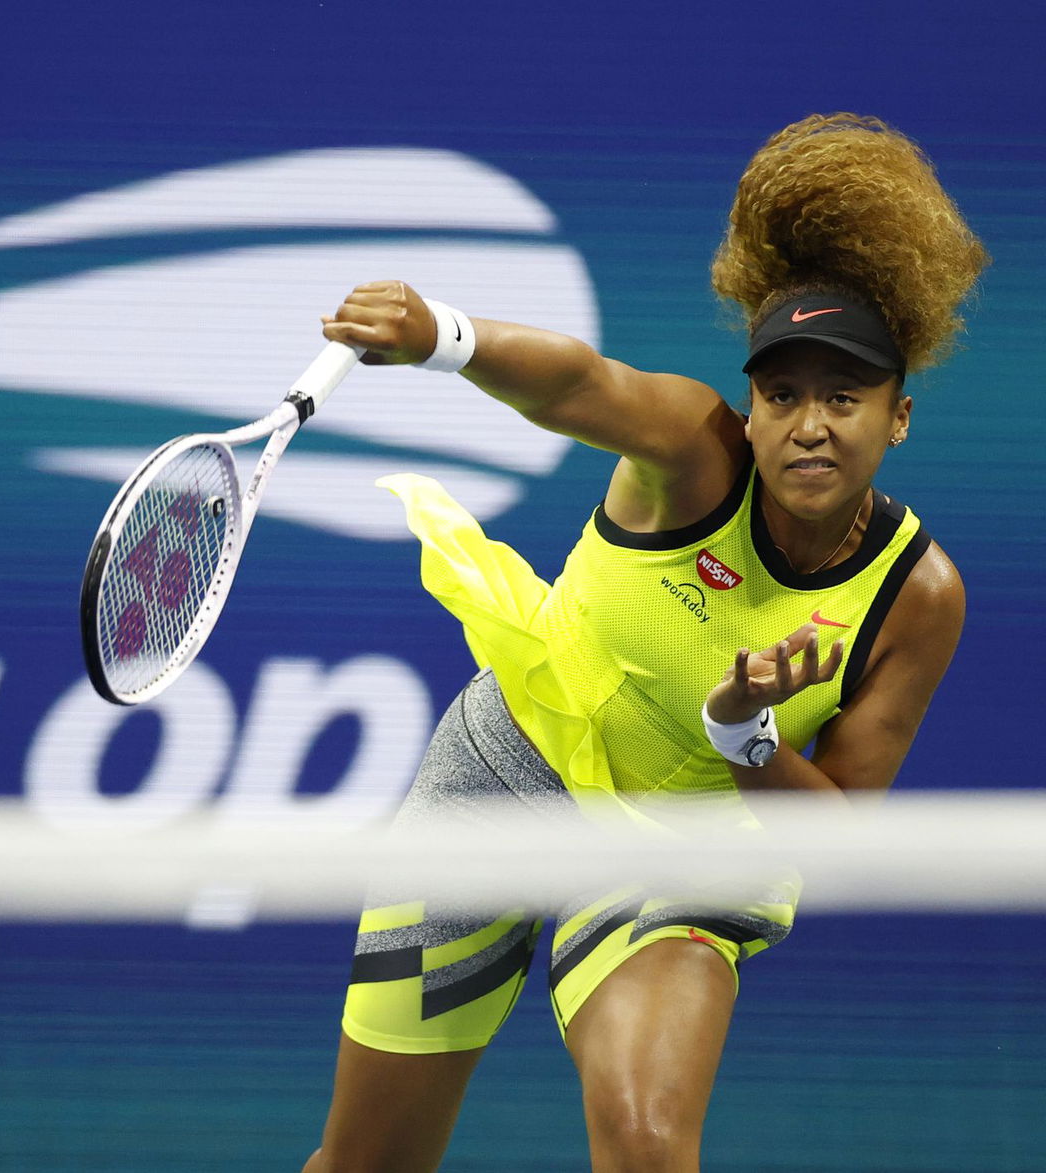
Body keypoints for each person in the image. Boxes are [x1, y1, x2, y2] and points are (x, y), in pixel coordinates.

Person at [301, 113, 990, 1172]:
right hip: (505, 767)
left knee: (647, 1140)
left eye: (844, 398)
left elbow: (839, 837)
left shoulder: (916, 596)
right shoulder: (689, 450)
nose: (810, 423)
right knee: (367, 1163)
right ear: (751, 413)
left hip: (680, 850)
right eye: (783, 395)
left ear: (897, 418)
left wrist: (744, 734)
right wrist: (443, 335)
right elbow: (580, 382)